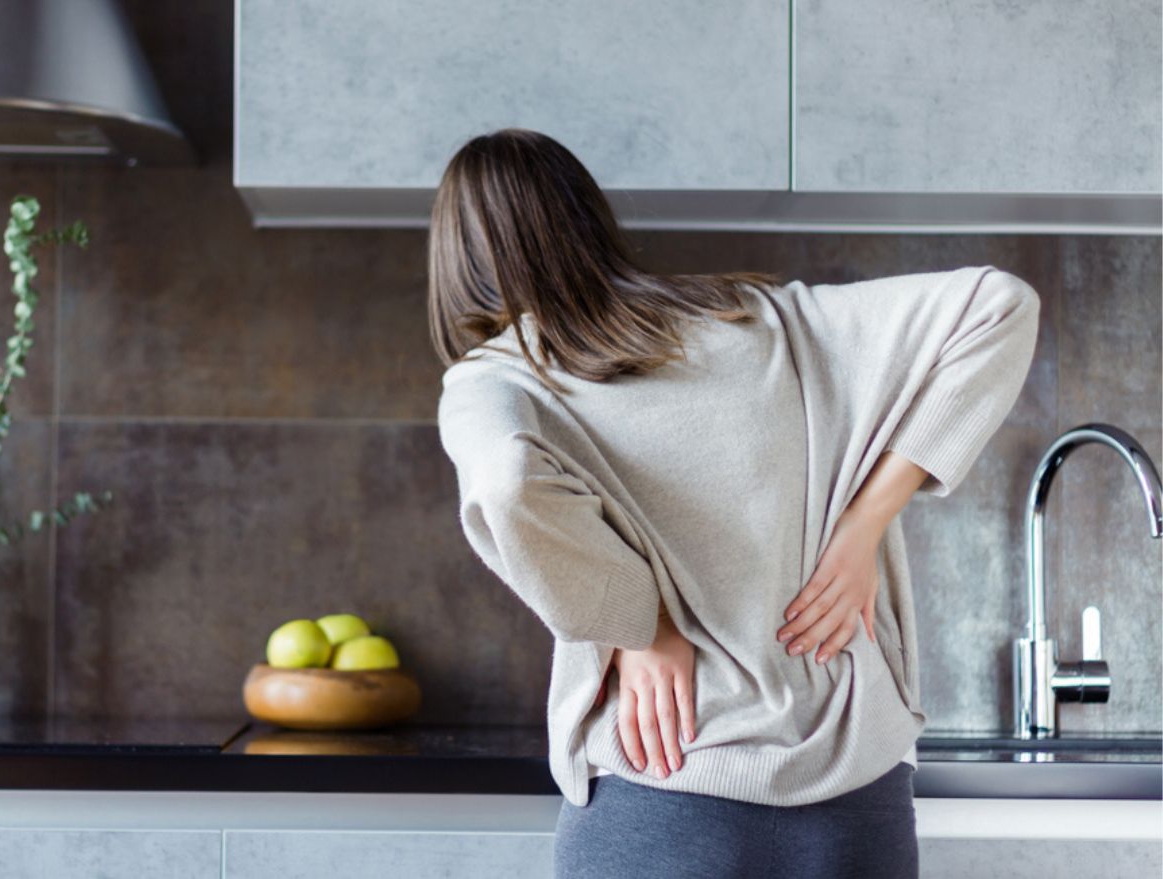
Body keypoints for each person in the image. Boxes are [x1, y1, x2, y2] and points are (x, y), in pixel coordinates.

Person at [429, 128, 1040, 878]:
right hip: (857, 809)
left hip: (665, 792)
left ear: (458, 264)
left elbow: (505, 483)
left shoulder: (498, 379)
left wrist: (638, 624)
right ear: (588, 220)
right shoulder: (762, 319)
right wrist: (863, 525)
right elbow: (1000, 304)